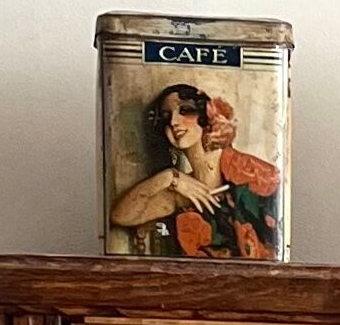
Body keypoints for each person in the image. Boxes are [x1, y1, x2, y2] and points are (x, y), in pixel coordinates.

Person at [111, 82, 280, 259]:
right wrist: (169, 177)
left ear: (207, 115)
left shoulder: (253, 172)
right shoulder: (182, 189)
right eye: (166, 116)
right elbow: (121, 216)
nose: (173, 122)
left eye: (185, 110)